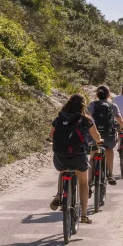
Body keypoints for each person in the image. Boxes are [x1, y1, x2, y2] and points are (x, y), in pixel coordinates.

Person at [49, 94, 103, 224]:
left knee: (63, 171)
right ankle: (83, 215)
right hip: (78, 156)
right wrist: (99, 141)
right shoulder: (86, 119)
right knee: (83, 183)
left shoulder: (60, 118)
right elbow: (96, 136)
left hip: (60, 157)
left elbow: (51, 136)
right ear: (83, 105)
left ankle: (58, 194)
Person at [88, 85, 123, 185]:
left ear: (97, 94)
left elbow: (87, 118)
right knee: (109, 150)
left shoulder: (92, 104)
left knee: (92, 156)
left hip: (94, 134)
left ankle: (89, 180)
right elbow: (119, 119)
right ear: (108, 95)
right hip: (108, 134)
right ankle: (110, 174)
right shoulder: (112, 105)